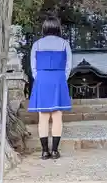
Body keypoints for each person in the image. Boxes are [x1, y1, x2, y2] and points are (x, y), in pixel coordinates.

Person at [28, 17, 72, 159]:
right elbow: (68, 65)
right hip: (58, 78)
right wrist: (61, 78)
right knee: (57, 116)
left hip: (42, 78)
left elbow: (33, 66)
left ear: (45, 28)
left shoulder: (37, 44)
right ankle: (55, 151)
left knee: (43, 117)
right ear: (58, 28)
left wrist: (40, 77)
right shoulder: (64, 43)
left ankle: (44, 151)